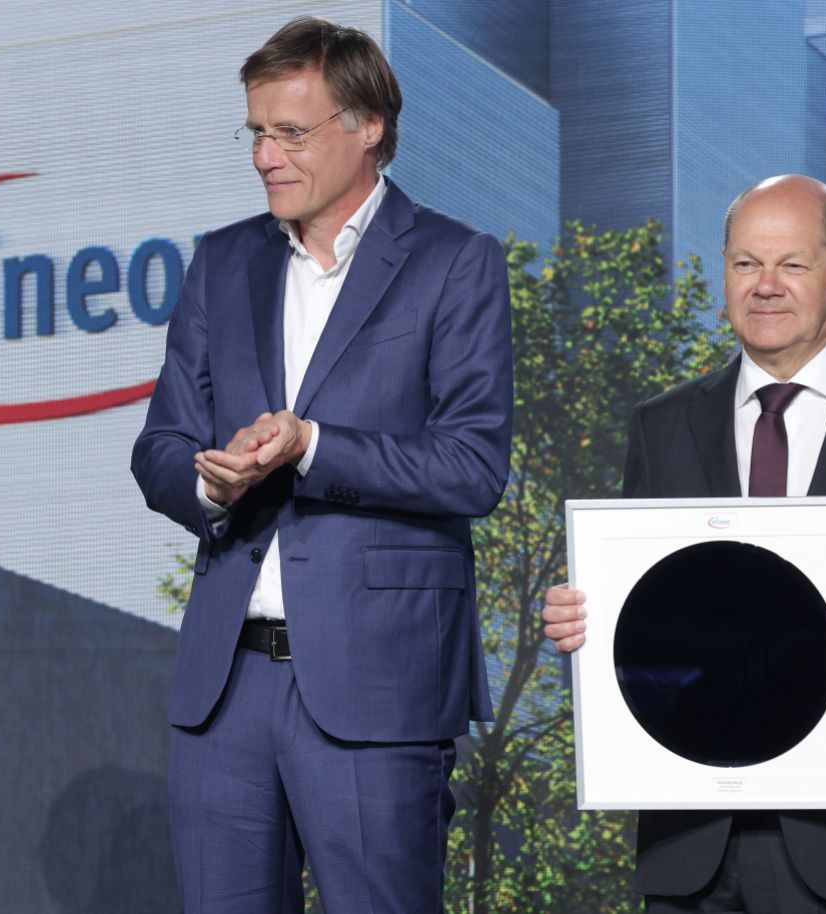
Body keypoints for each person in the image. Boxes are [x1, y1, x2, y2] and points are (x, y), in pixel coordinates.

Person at [543, 174, 826, 913]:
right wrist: (587, 618)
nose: (765, 286)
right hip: (689, 830)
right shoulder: (662, 426)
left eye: (792, 264)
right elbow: (649, 603)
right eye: (744, 264)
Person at [130, 16, 514, 913]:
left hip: (379, 686)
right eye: (256, 131)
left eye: (291, 132)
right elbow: (159, 446)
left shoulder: (455, 262)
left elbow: (471, 465)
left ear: (367, 126)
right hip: (224, 691)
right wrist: (205, 480)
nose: (267, 155)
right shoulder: (223, 261)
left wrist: (313, 448)